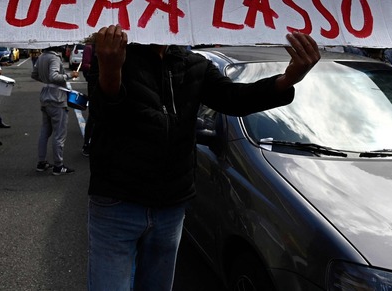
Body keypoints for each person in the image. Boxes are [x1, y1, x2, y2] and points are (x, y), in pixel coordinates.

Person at [87, 25, 321, 291]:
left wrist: (288, 78)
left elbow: (234, 99)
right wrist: (110, 69)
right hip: (118, 203)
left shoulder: (195, 64)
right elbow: (103, 117)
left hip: (171, 206)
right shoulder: (113, 55)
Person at [32, 46, 78, 175]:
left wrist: (46, 81)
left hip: (45, 97)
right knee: (59, 133)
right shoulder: (54, 57)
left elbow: (34, 74)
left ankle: (41, 162)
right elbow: (54, 76)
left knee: (45, 132)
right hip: (57, 98)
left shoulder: (41, 57)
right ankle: (58, 165)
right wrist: (70, 75)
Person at [80, 42, 96, 157]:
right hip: (94, 83)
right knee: (93, 114)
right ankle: (87, 144)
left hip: (103, 81)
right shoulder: (90, 48)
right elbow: (85, 65)